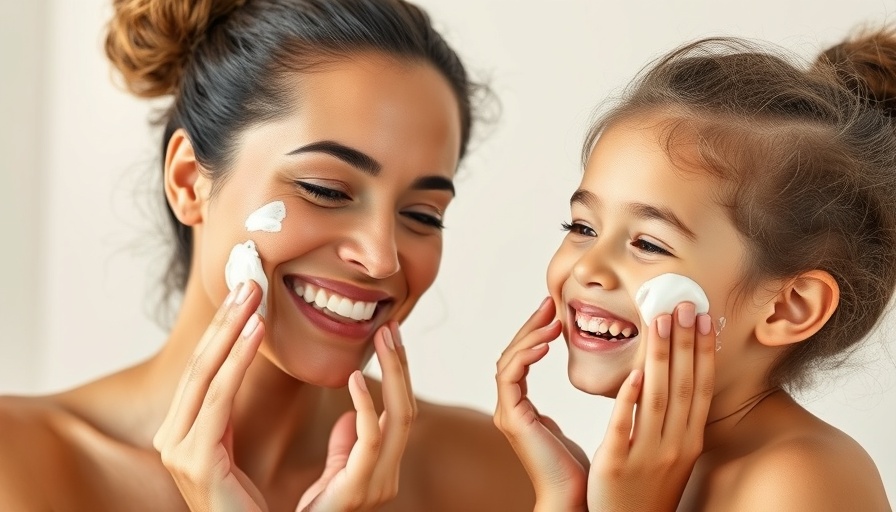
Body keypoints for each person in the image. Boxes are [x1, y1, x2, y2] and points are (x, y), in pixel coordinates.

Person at [0, 0, 713, 510]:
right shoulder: (20, 468)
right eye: (324, 189)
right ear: (190, 181)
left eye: (421, 214)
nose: (380, 257)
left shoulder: (505, 476)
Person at [495, 28, 896, 511]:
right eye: (582, 227)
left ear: (788, 307)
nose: (589, 267)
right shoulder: (646, 470)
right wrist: (562, 498)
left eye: (647, 243)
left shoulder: (803, 479)